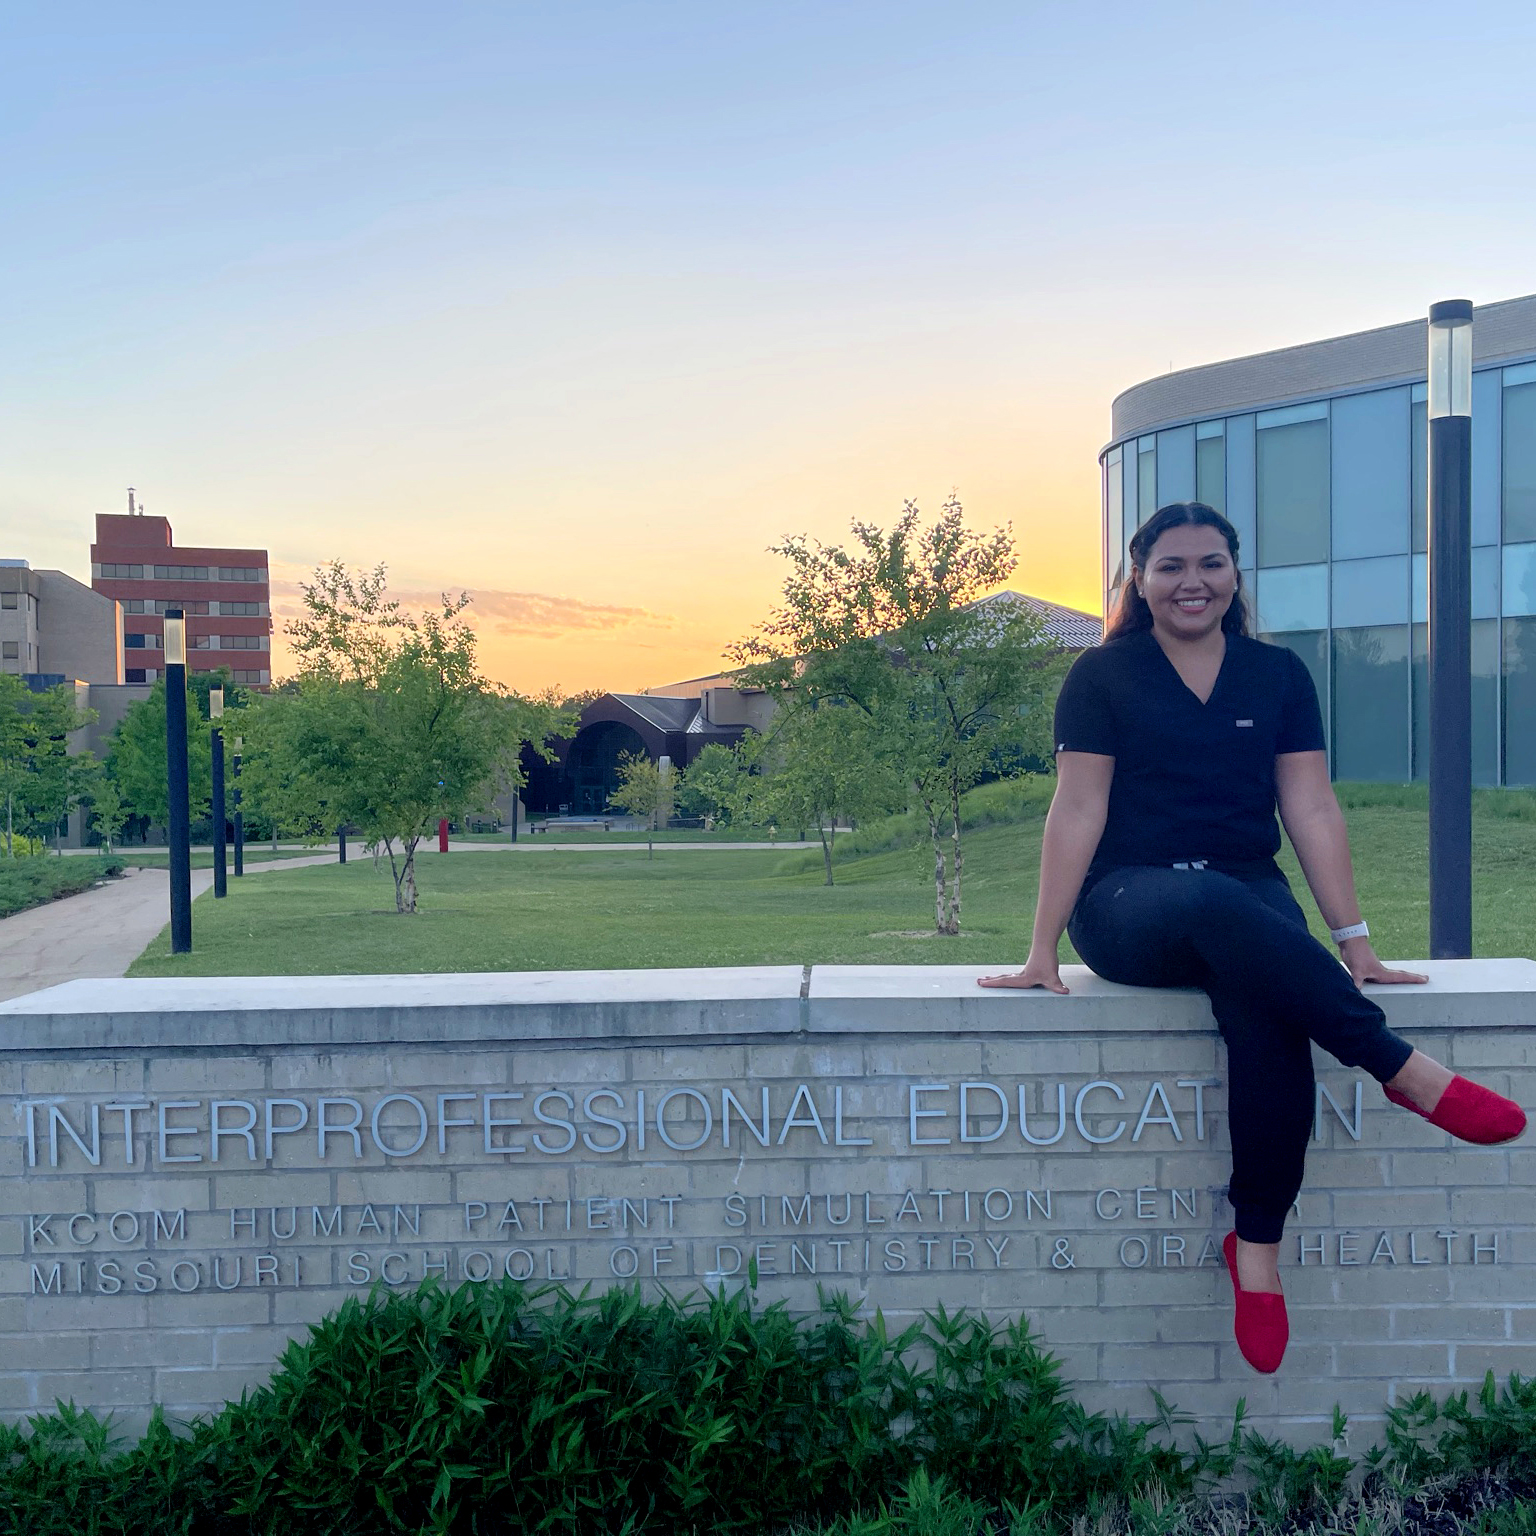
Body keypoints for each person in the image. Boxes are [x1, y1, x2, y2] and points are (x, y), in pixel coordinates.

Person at [979, 501, 1525, 1373]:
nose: (1191, 582)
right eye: (1170, 567)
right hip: (1127, 903)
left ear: (1236, 575)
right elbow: (1077, 807)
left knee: (1265, 994)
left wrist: (1354, 943)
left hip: (1246, 896)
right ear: (1139, 578)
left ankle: (1257, 1252)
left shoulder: (1278, 676)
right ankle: (1402, 1071)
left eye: (1210, 564)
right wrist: (1042, 949)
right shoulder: (1101, 678)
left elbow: (1309, 806)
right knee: (1217, 904)